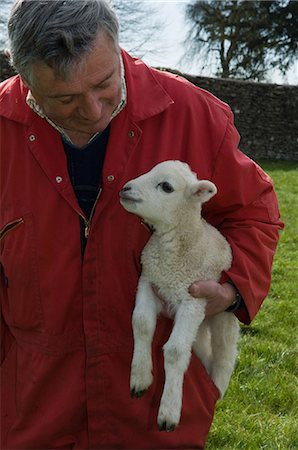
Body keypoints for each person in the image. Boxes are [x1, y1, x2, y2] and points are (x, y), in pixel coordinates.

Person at [0, 1, 283, 449]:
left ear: (116, 46)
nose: (92, 111)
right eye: (65, 99)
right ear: (22, 75)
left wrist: (232, 288)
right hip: (31, 410)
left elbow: (255, 213)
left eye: (104, 84)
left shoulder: (193, 114)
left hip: (155, 415)